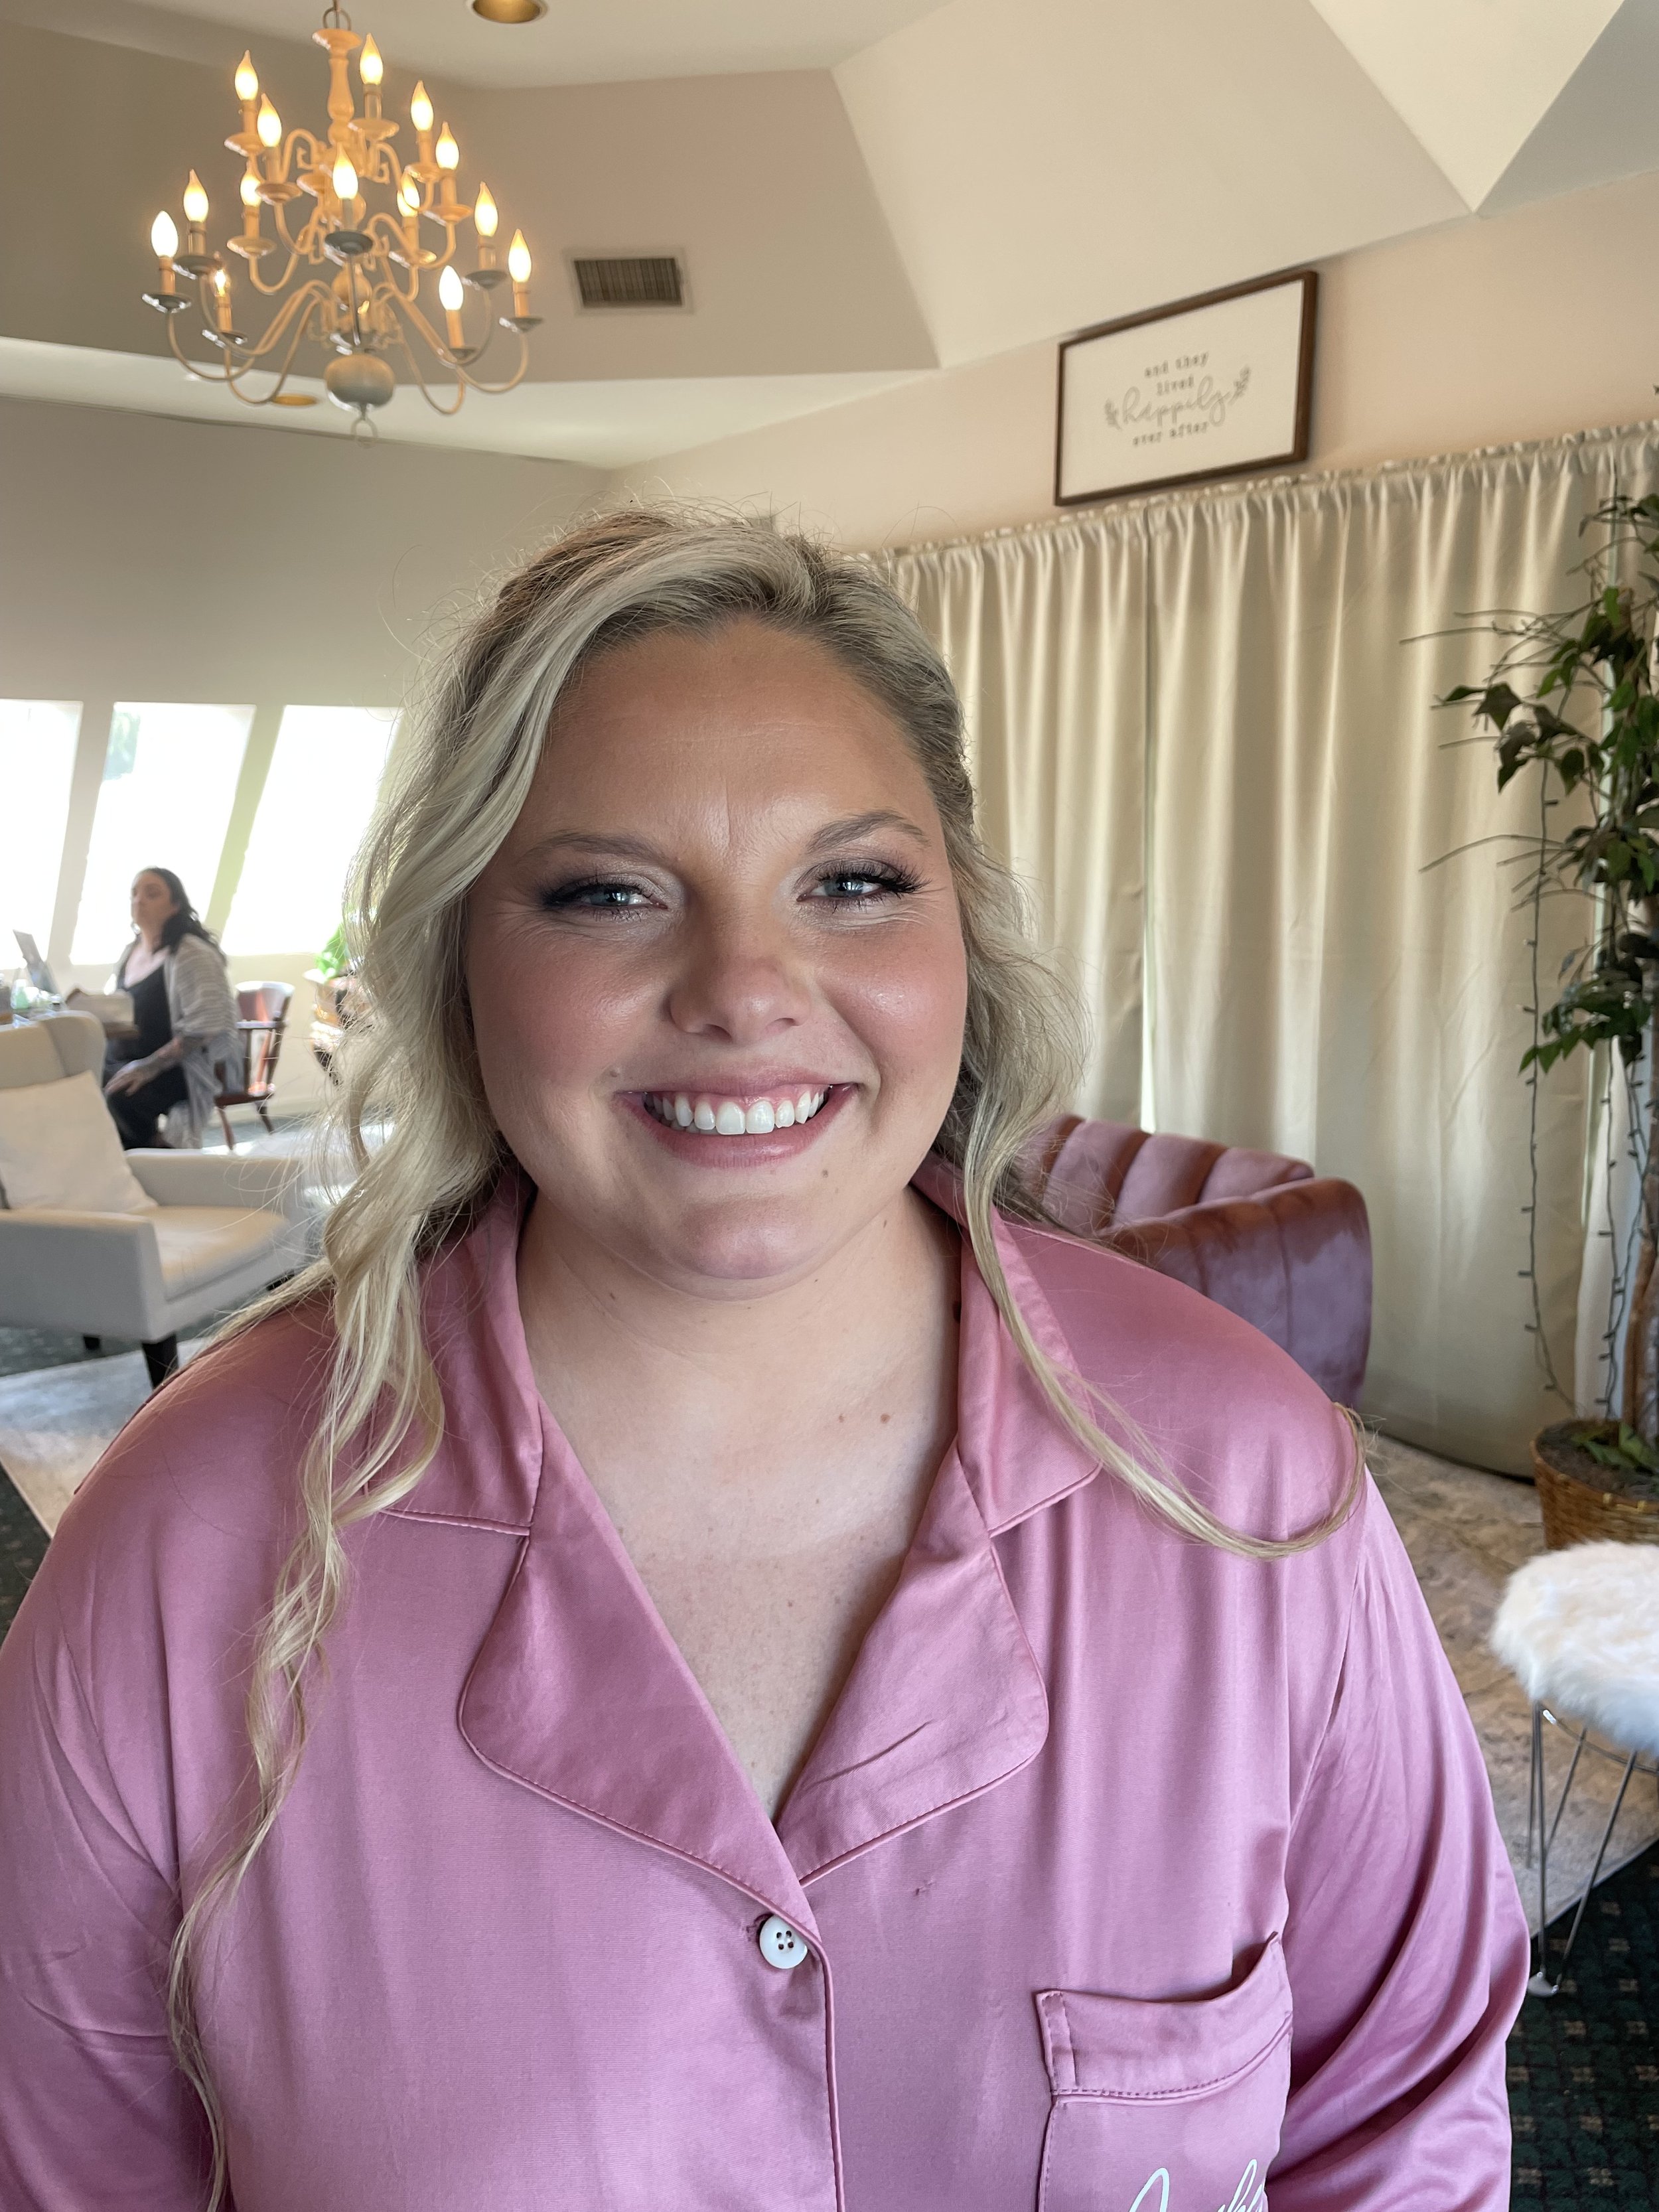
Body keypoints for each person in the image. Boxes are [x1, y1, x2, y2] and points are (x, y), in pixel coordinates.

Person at [0, 513, 1528, 2210]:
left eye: (852, 882)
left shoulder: (1246, 1481)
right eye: (606, 893)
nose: (743, 987)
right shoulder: (183, 1554)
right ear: (459, 964)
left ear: (961, 932)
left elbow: (1403, 2128)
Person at [102, 867, 242, 1149]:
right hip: (131, 1057)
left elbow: (204, 1029)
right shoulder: (132, 949)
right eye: (135, 893)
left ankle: (157, 1159)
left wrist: (147, 1067)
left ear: (176, 905)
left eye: (151, 894)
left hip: (181, 1065)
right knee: (84, 1079)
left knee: (122, 1100)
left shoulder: (192, 953)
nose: (139, 900)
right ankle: (127, 1162)